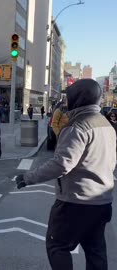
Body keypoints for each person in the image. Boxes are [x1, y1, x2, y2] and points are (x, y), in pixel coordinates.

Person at [15, 79, 115, 270]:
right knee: (96, 252)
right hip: (102, 202)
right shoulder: (106, 125)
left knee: (57, 246)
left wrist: (28, 178)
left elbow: (62, 164)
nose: (67, 102)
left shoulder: (77, 126)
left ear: (78, 98)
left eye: (69, 98)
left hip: (75, 202)